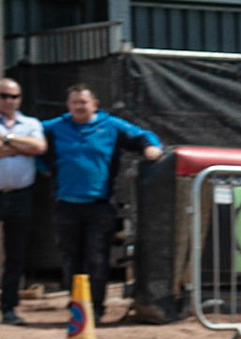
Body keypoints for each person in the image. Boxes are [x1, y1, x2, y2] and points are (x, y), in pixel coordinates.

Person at [41, 84, 162, 323]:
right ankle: (77, 306)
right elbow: (33, 139)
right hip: (66, 205)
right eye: (74, 102)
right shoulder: (56, 127)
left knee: (97, 257)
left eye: (83, 102)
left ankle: (96, 309)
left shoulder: (111, 126)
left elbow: (143, 136)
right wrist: (42, 167)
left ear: (94, 104)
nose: (79, 107)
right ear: (68, 105)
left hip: (99, 205)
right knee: (71, 258)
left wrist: (151, 148)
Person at [0, 78, 47, 325]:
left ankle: (8, 308)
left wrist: (6, 140)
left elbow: (39, 147)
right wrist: (20, 146)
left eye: (14, 96)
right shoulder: (26, 129)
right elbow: (30, 147)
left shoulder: (31, 123)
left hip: (21, 195)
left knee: (16, 254)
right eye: (4, 96)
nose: (9, 101)